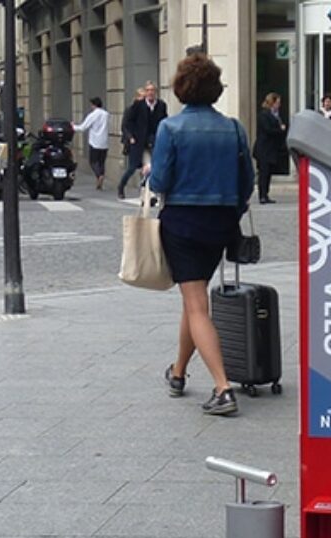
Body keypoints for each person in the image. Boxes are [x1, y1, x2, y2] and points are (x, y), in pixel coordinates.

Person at [143, 53, 254, 417]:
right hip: (220, 223)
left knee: (195, 304)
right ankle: (177, 373)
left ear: (181, 88)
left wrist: (150, 171)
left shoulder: (170, 128)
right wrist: (230, 212)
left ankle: (223, 388)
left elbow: (159, 182)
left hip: (183, 222)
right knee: (195, 301)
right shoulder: (234, 128)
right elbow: (247, 182)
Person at [118, 81, 167, 200]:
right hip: (138, 141)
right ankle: (121, 186)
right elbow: (127, 123)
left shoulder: (161, 105)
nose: (150, 93)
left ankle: (149, 192)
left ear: (156, 92)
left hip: (153, 140)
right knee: (132, 167)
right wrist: (130, 137)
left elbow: (164, 120)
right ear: (145, 92)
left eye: (152, 90)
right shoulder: (138, 105)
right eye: (148, 90)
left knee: (152, 165)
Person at [254, 92, 287, 204]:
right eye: (277, 102)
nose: (279, 105)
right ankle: (262, 195)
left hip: (271, 149)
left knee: (268, 173)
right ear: (272, 103)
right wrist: (280, 130)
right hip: (264, 149)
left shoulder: (276, 115)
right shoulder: (264, 115)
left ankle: (266, 194)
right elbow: (268, 130)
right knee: (263, 173)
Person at [74, 96, 110, 189]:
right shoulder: (106, 114)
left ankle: (99, 175)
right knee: (101, 162)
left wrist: (73, 126)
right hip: (104, 142)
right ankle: (101, 176)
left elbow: (83, 127)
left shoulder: (93, 115)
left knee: (93, 161)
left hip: (95, 142)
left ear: (94, 105)